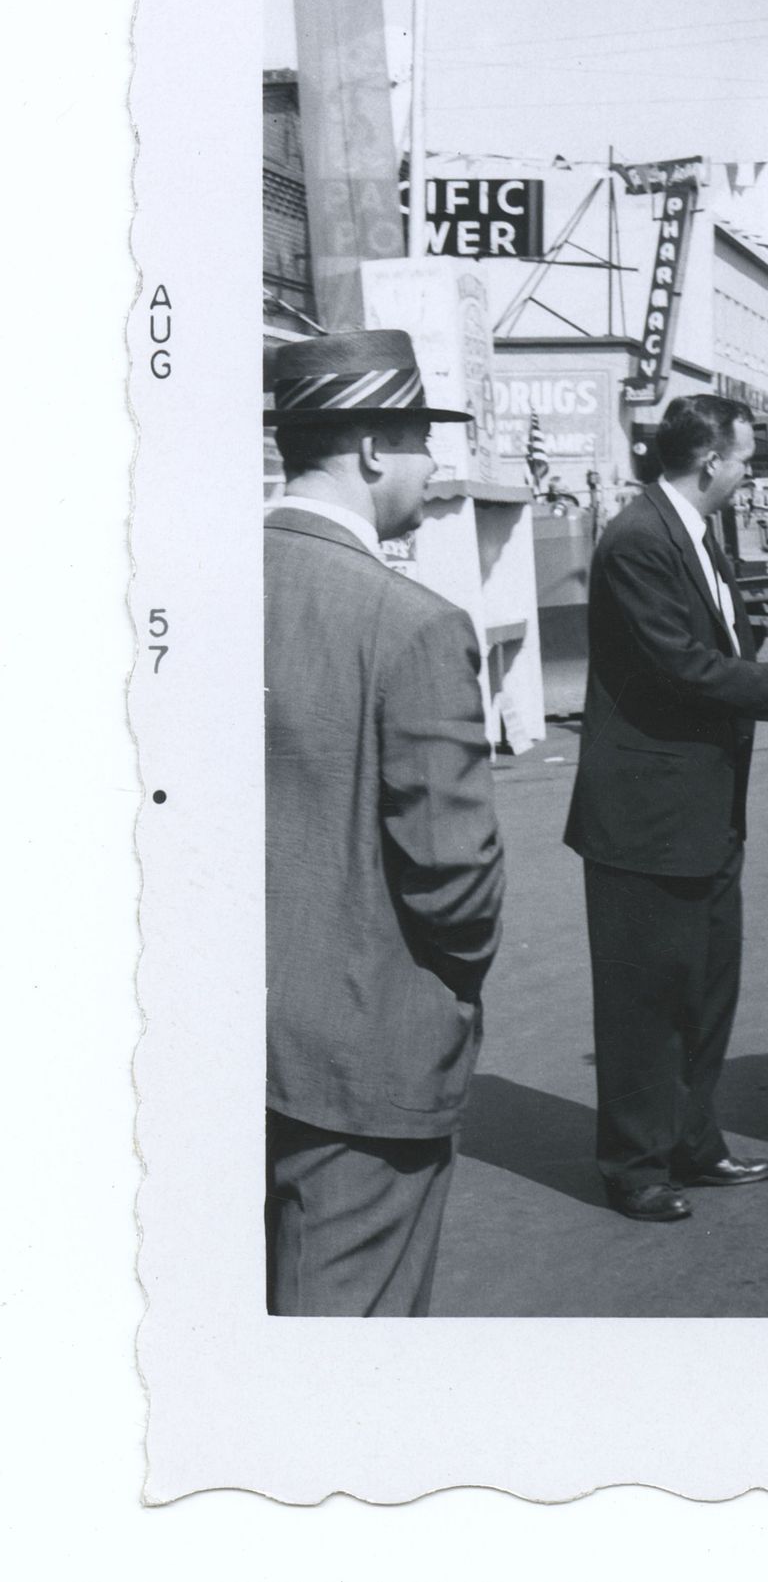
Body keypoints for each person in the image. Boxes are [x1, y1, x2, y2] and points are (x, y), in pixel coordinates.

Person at [566, 393, 768, 1222]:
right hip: (645, 818)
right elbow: (678, 665)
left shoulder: (694, 534)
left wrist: (764, 637)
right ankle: (634, 1165)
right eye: (741, 460)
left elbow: (715, 643)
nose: (746, 475)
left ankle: (693, 1141)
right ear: (709, 463)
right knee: (644, 998)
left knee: (704, 986)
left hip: (701, 808)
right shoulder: (638, 540)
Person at [263, 328, 507, 1315]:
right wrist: (454, 988)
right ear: (371, 449)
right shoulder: (413, 623)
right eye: (420, 441)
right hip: (362, 1063)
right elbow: (456, 878)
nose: (432, 465)